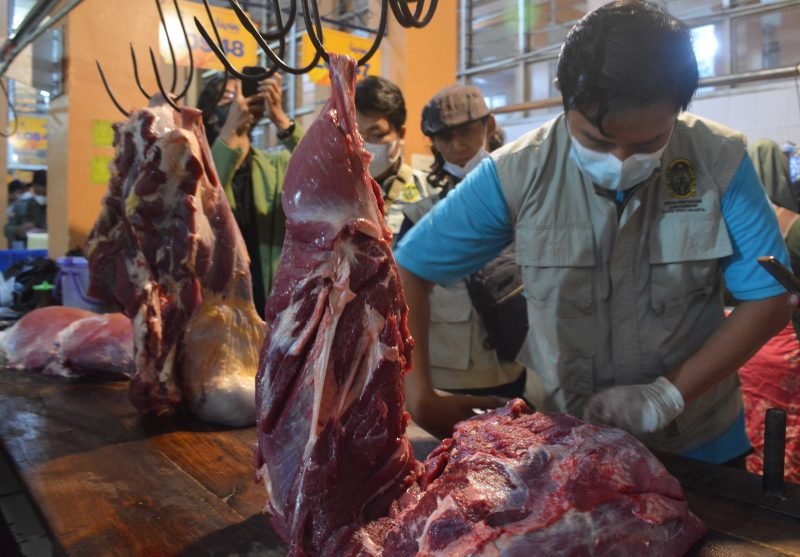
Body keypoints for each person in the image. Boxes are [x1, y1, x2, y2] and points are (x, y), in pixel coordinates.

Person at [395, 0, 791, 463]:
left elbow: (770, 297)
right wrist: (420, 395)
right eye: (598, 141)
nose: (621, 160)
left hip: (698, 446)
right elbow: (410, 267)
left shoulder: (719, 160)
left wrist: (668, 395)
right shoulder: (518, 172)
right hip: (561, 448)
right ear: (566, 101)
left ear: (678, 110)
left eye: (647, 143)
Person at [398, 84, 525, 423]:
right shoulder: (419, 211)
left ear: (489, 125)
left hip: (514, 363)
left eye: (465, 132)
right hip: (449, 373)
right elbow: (404, 291)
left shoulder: (522, 193)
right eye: (443, 138)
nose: (456, 146)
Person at [197, 72, 303, 318]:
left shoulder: (277, 165)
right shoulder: (196, 166)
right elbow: (202, 200)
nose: (239, 103)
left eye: (243, 95)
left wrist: (280, 119)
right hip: (215, 313)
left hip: (270, 311)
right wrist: (230, 131)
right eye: (229, 98)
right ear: (211, 115)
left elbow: (323, 168)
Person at [355, 76, 431, 236]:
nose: (362, 146)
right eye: (355, 135)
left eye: (376, 134)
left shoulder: (427, 192)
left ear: (401, 134)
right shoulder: (335, 193)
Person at [5, 170, 47, 249]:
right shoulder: (22, 204)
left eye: (44, 193)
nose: (42, 191)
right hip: (27, 249)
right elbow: (7, 229)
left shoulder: (58, 207)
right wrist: (18, 230)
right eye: (38, 191)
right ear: (34, 186)